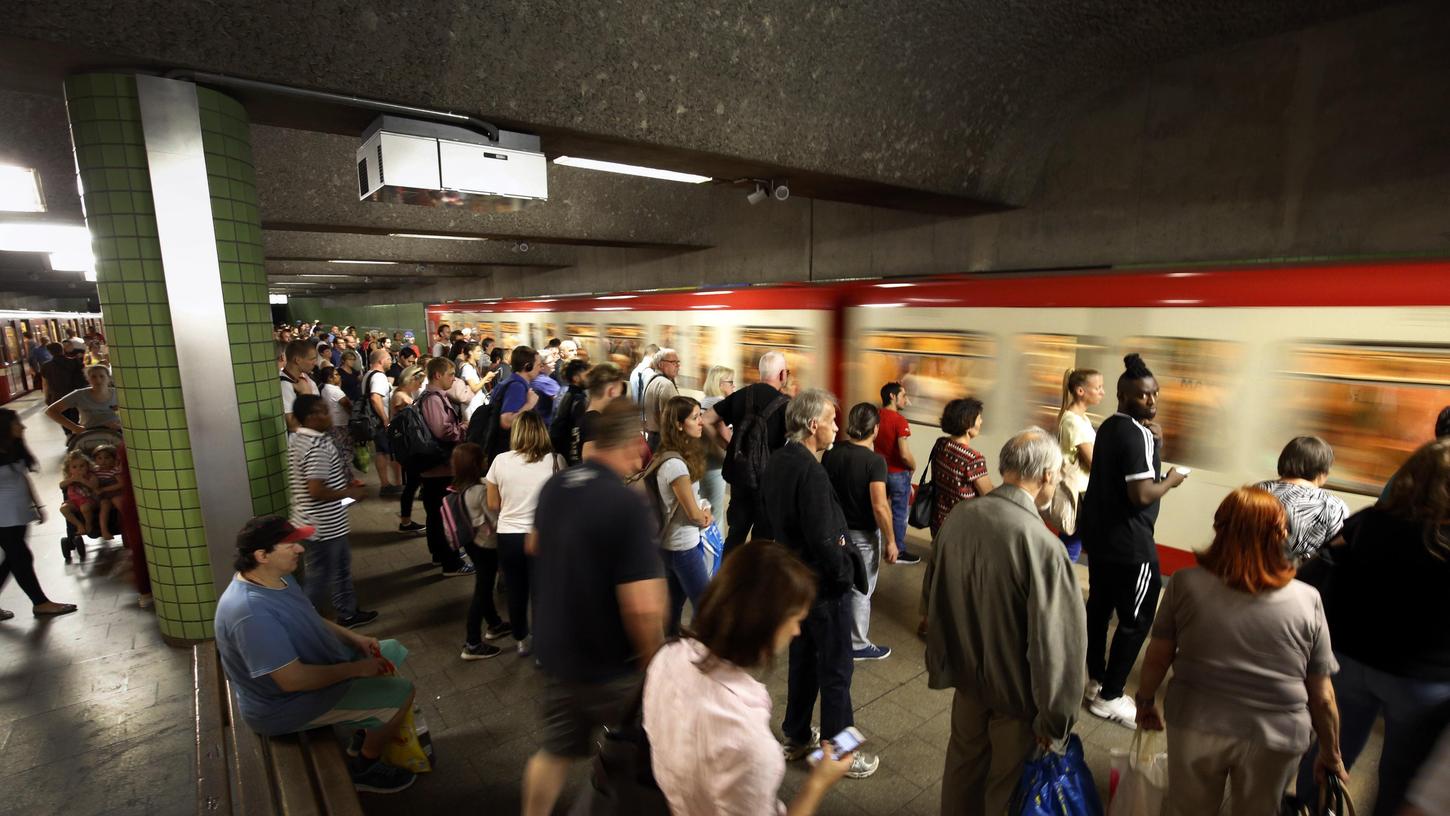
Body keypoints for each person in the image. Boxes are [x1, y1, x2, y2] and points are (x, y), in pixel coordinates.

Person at [1135, 486, 1346, 816]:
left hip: (1195, 719)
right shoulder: (1308, 599)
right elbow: (1322, 696)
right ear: (1281, 533)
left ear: (1220, 528)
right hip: (1277, 734)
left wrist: (1146, 700)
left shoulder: (1184, 583)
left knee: (1187, 809)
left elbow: (1158, 655)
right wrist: (1331, 752)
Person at [922, 428, 1086, 816]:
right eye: (1058, 474)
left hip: (966, 682)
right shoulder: (1043, 546)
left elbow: (931, 598)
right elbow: (1056, 646)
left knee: (962, 770)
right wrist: (1055, 719)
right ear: (1046, 475)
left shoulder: (961, 517)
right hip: (1017, 697)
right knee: (1005, 786)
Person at [521, 400, 667, 816]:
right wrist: (653, 662)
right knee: (649, 750)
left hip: (557, 653)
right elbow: (641, 606)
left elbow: (534, 544)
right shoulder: (627, 506)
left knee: (554, 752)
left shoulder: (557, 486)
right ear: (633, 444)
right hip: (610, 664)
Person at [1295, 439, 1450, 815]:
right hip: (1422, 680)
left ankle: (1303, 808)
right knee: (1402, 774)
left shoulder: (1371, 521)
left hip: (1350, 659)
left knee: (1331, 749)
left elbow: (1331, 562)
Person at [643, 540, 856, 815]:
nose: (796, 632)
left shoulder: (666, 658)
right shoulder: (750, 742)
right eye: (793, 620)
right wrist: (818, 782)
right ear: (763, 624)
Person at [212, 516, 417, 794]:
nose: (300, 549)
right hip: (284, 706)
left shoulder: (276, 577)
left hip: (309, 671)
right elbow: (292, 680)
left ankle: (364, 725)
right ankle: (365, 766)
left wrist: (354, 638)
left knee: (388, 650)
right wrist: (357, 670)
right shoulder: (250, 613)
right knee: (402, 693)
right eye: (290, 545)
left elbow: (312, 616)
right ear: (262, 555)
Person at [761, 387, 879, 778]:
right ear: (813, 426)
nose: (836, 427)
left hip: (795, 582)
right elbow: (825, 539)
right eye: (830, 420)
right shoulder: (811, 471)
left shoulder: (780, 460)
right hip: (823, 587)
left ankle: (795, 736)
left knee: (803, 663)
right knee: (836, 671)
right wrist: (844, 576)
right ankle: (838, 752)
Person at [1078, 353, 1189, 728]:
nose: (1152, 401)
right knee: (1137, 620)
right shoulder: (1137, 433)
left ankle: (1095, 682)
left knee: (1099, 609)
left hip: (1104, 539)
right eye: (1143, 396)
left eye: (1155, 394)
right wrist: (1172, 479)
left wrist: (1154, 445)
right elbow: (1141, 495)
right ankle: (1110, 697)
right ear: (1124, 396)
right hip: (1132, 545)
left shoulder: (1110, 427)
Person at [289, 395, 376, 628]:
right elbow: (316, 489)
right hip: (322, 526)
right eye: (323, 411)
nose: (329, 415)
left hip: (320, 521)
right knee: (320, 578)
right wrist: (349, 494)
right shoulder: (315, 445)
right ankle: (303, 627)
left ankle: (347, 613)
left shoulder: (298, 439)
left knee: (338, 569)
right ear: (310, 417)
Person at [822, 403, 899, 661]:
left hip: (836, 530)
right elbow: (879, 505)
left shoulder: (833, 452)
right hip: (863, 536)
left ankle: (834, 633)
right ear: (875, 429)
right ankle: (857, 643)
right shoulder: (875, 462)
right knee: (861, 590)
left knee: (838, 583)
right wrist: (891, 540)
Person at [486, 411, 564, 657]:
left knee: (516, 590)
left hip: (509, 535)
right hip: (543, 535)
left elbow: (492, 504)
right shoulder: (556, 461)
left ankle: (521, 638)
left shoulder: (500, 461)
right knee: (543, 592)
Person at [703, 350, 791, 555]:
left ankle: (727, 581)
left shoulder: (742, 394)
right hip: (769, 483)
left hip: (740, 478)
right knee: (763, 542)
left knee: (735, 535)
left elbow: (706, 419)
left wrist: (726, 444)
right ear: (781, 375)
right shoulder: (786, 405)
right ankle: (754, 582)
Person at [0, 409, 77, 619]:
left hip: (18, 513)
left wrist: (37, 504)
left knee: (12, 559)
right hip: (2, 518)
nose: (23, 427)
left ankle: (40, 603)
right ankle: (40, 603)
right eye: (17, 424)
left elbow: (23, 478)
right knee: (21, 556)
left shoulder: (14, 447)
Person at [648, 396, 714, 634]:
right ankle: (695, 653)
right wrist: (707, 516)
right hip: (682, 547)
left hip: (673, 546)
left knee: (674, 603)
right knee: (705, 604)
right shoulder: (675, 465)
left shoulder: (671, 456)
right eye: (695, 417)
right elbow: (694, 514)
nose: (701, 422)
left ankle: (670, 647)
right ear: (678, 424)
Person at [1254, 436, 1350, 563]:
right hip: (1303, 577)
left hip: (1249, 570)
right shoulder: (1332, 505)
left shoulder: (1256, 491)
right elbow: (1338, 551)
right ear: (1322, 470)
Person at [417, 357, 472, 576]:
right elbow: (442, 431)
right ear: (438, 375)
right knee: (444, 514)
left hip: (433, 466)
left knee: (435, 513)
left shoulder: (432, 397)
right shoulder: (434, 399)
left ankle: (439, 555)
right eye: (450, 374)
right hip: (439, 467)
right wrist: (463, 428)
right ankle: (451, 563)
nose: (454, 378)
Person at [452, 443, 507, 661]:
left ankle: (494, 624)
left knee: (483, 583)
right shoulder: (480, 491)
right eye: (483, 457)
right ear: (476, 464)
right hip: (486, 544)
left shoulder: (459, 487)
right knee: (482, 589)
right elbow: (494, 519)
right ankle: (472, 642)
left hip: (471, 543)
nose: (486, 459)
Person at [1057, 367, 1104, 562]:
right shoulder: (1073, 422)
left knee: (1071, 544)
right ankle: (1056, 588)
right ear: (1080, 391)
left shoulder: (1079, 418)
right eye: (1098, 387)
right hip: (1078, 495)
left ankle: (1056, 585)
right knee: (1070, 549)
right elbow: (1094, 462)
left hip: (1082, 493)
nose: (1102, 392)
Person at [930, 398, 994, 535]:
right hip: (962, 526)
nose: (981, 422)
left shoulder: (941, 444)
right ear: (968, 422)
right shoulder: (973, 459)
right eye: (979, 418)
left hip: (938, 520)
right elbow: (988, 495)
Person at [874, 382, 920, 564]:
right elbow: (904, 453)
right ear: (892, 396)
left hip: (879, 471)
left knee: (879, 507)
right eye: (903, 395)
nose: (906, 400)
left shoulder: (876, 416)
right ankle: (898, 551)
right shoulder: (900, 421)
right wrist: (913, 465)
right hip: (898, 474)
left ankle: (878, 543)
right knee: (899, 513)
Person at [484, 345, 543, 462]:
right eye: (539, 365)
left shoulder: (509, 382)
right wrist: (529, 405)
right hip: (508, 452)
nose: (540, 369)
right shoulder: (517, 387)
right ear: (528, 366)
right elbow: (506, 421)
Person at [389, 365, 426, 533]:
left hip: (409, 446)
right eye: (419, 383)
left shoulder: (405, 394)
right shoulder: (400, 397)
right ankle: (405, 522)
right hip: (408, 447)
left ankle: (405, 521)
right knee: (412, 484)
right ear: (411, 380)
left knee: (413, 484)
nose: (419, 386)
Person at [698, 365, 735, 526]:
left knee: (705, 506)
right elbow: (727, 438)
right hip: (715, 464)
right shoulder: (719, 404)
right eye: (731, 382)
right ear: (720, 384)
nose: (734, 386)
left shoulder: (703, 401)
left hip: (702, 461)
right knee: (715, 515)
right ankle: (714, 550)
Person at [364, 349, 402, 497]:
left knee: (381, 452)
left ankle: (385, 484)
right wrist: (386, 420)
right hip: (380, 420)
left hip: (372, 421)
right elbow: (375, 398)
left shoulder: (368, 375)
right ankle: (397, 484)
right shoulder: (379, 377)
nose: (390, 362)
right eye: (388, 359)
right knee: (392, 453)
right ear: (380, 361)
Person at [45, 365, 121, 436]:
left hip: (115, 433)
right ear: (88, 379)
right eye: (93, 377)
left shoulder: (119, 394)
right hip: (89, 434)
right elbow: (51, 411)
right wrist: (75, 428)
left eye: (102, 376)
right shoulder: (79, 394)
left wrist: (121, 425)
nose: (98, 380)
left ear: (109, 378)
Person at [577, 362, 626, 462]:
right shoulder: (593, 423)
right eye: (620, 391)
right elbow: (591, 466)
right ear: (611, 391)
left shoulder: (589, 416)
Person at [549, 359, 590, 465]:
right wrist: (576, 458)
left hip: (562, 450)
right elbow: (576, 430)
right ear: (576, 378)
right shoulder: (578, 399)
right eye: (586, 375)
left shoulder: (567, 394)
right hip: (570, 454)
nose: (589, 378)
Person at [39, 342, 88, 433]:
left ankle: (69, 434)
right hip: (74, 394)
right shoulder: (74, 361)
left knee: (63, 417)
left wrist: (46, 397)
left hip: (57, 396)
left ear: (50, 352)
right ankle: (77, 432)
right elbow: (83, 377)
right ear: (62, 349)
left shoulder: (46, 366)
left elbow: (45, 384)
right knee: (75, 416)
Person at [58, 450, 103, 548]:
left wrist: (83, 480)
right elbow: (61, 485)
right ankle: (79, 525)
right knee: (64, 509)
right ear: (69, 469)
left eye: (82, 466)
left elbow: (94, 486)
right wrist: (71, 480)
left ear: (87, 466)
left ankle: (88, 524)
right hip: (74, 502)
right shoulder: (70, 479)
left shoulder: (91, 476)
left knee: (85, 507)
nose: (78, 469)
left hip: (90, 500)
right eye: (74, 467)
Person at [641, 347, 681, 451]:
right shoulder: (666, 385)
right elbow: (671, 417)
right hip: (664, 440)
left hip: (652, 438)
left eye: (678, 362)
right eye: (673, 362)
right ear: (660, 364)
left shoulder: (652, 380)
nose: (677, 365)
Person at [279, 339, 320, 433]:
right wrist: (305, 395)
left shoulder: (306, 379)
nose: (315, 363)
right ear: (297, 360)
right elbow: (293, 425)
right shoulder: (284, 385)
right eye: (311, 359)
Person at [455, 342, 491, 421]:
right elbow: (474, 388)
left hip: (476, 405)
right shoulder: (467, 368)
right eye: (478, 351)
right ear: (470, 352)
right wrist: (486, 378)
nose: (480, 353)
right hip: (471, 406)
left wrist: (484, 380)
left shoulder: (473, 367)